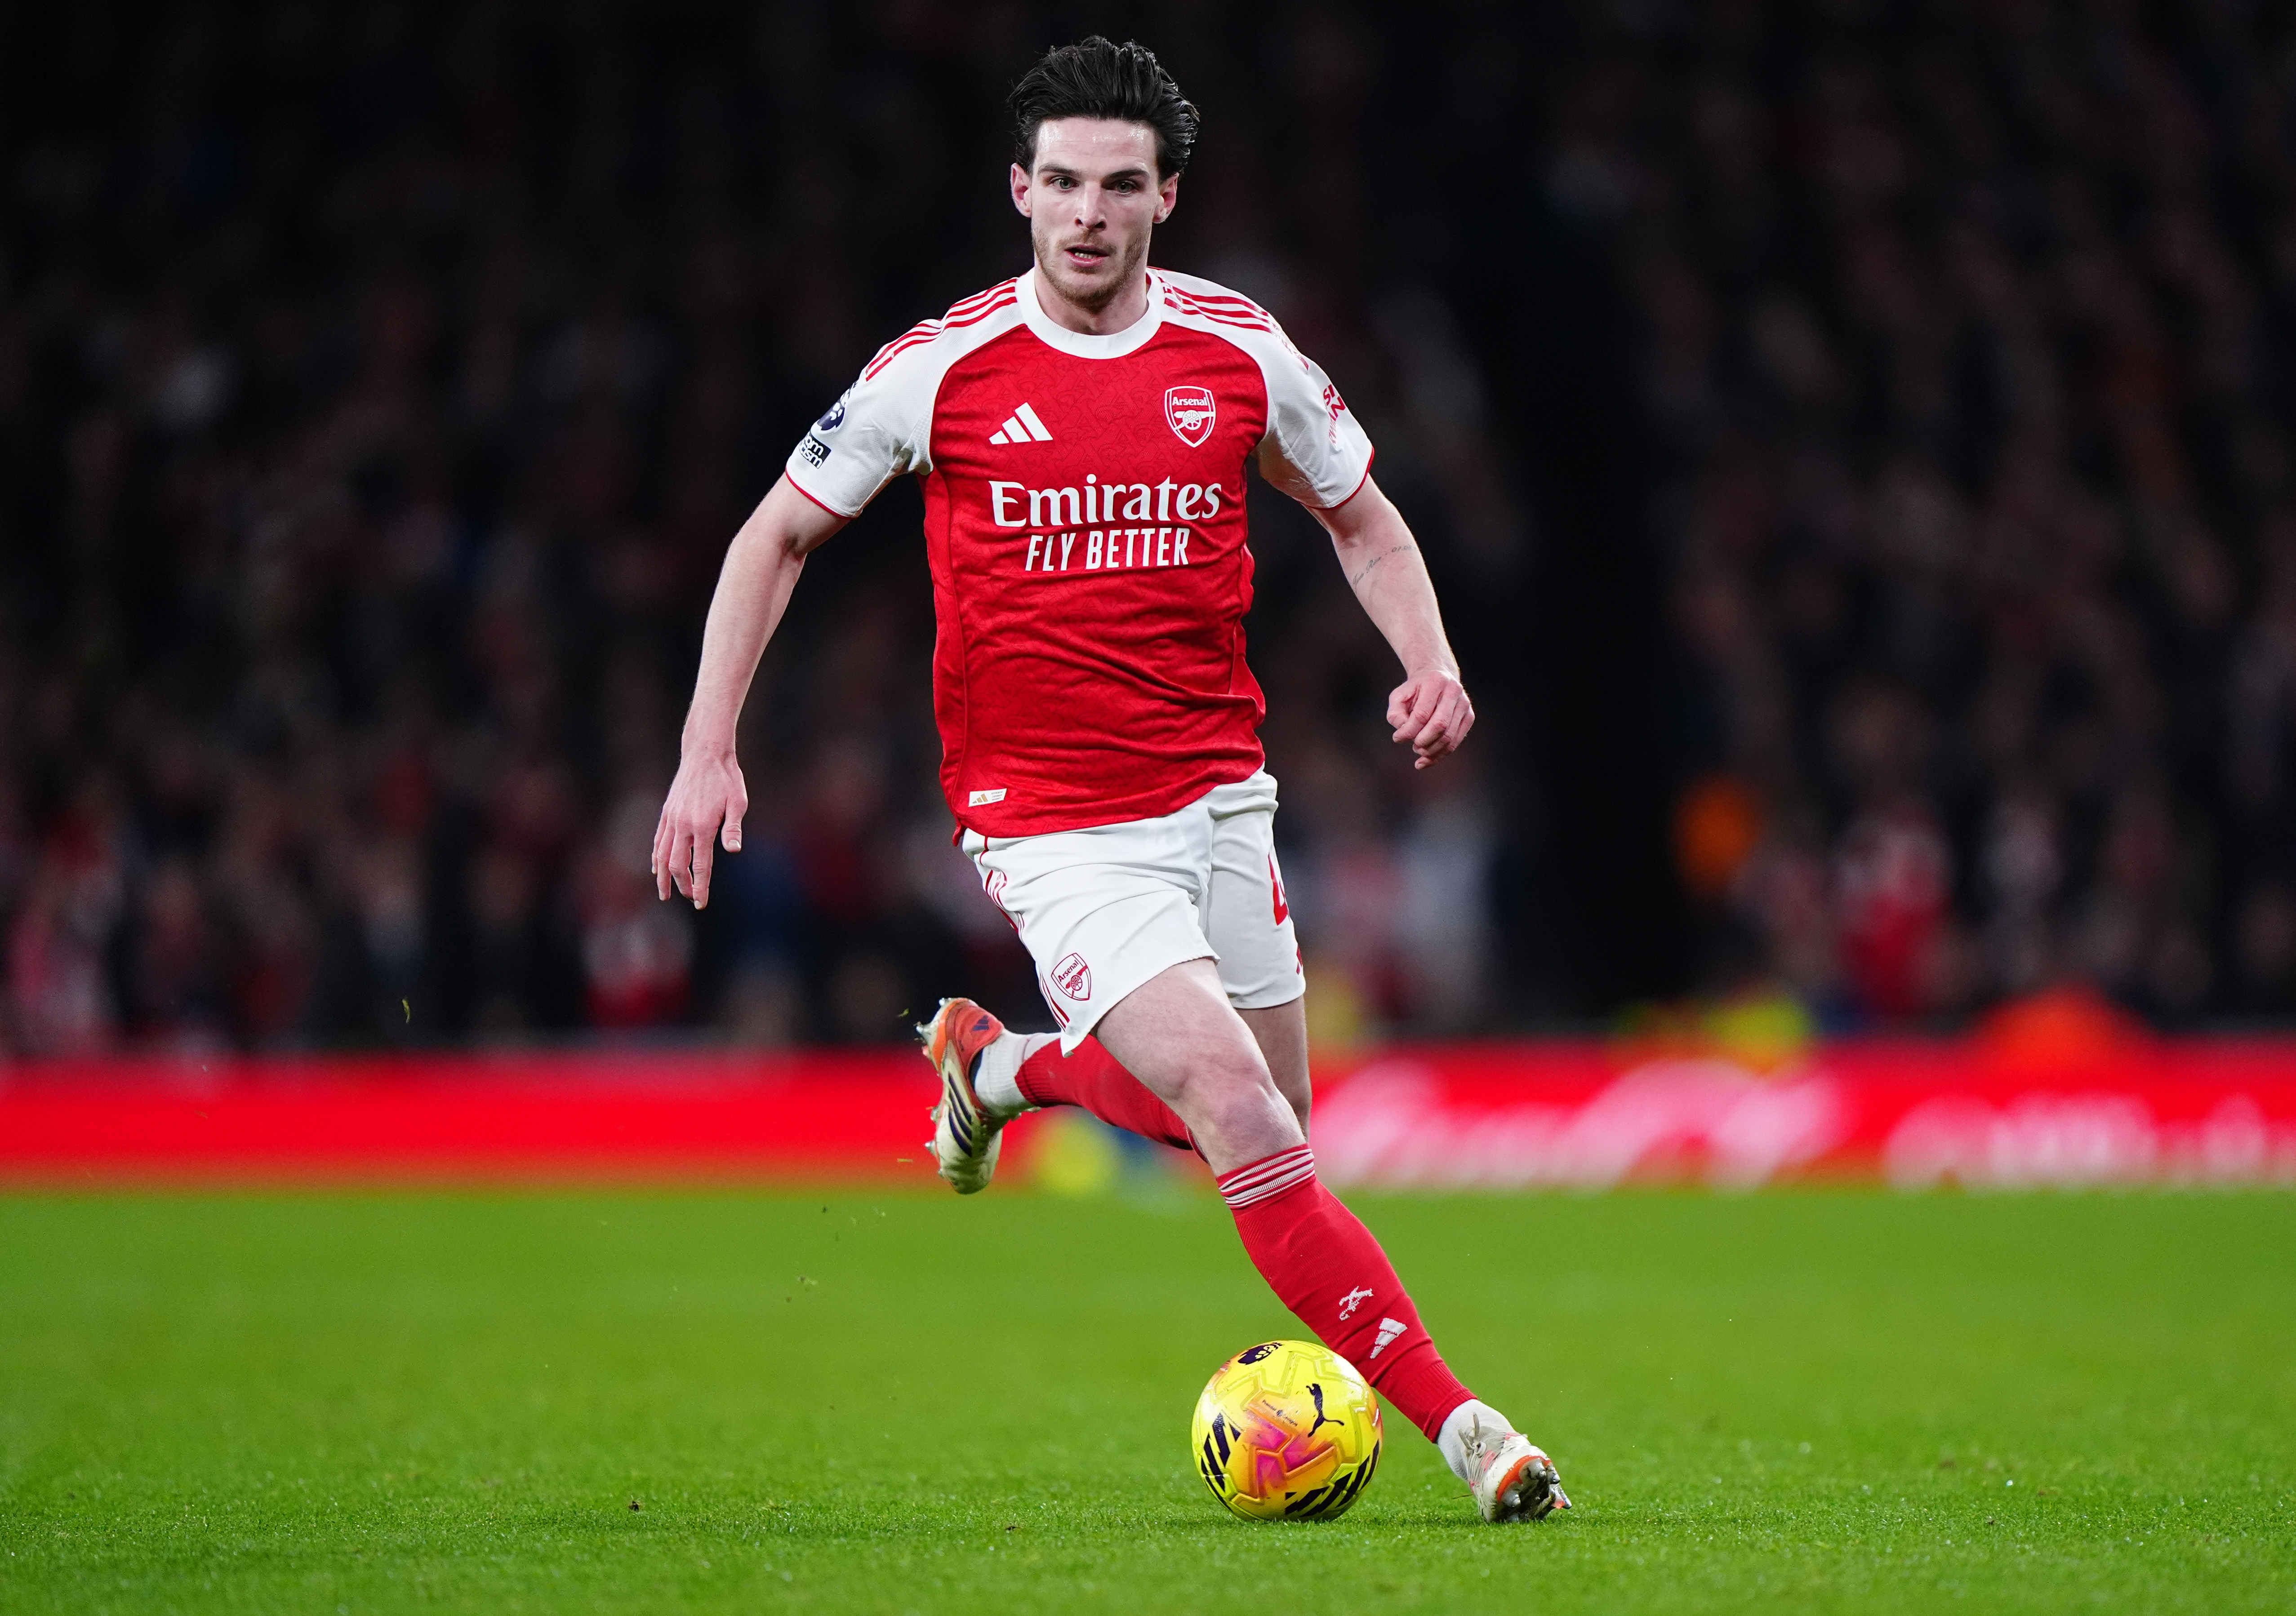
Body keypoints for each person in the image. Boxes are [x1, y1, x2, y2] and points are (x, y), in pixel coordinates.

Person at [652, 36, 1568, 1523]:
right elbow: (771, 538)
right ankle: (1473, 1433)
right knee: (1243, 1120)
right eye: (1062, 183)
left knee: (1267, 1123)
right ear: (1019, 191)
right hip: (1054, 823)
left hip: (1220, 790)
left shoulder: (1237, 350)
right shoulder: (938, 370)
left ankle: (1000, 1067)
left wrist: (1431, 655)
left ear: (1166, 198)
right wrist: (706, 751)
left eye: (1119, 186)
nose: (1087, 212)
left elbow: (1366, 518)